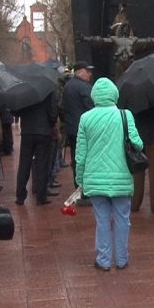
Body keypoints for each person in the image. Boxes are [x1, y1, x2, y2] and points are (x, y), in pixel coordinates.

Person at [75, 77, 142, 271]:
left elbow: (81, 155)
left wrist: (81, 180)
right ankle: (121, 259)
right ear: (114, 94)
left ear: (94, 96)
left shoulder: (85, 118)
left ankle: (103, 260)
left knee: (102, 220)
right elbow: (138, 144)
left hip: (95, 179)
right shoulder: (125, 115)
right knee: (123, 219)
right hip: (121, 177)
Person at [14, 91, 59, 206]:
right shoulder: (48, 89)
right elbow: (53, 112)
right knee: (42, 164)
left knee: (24, 163)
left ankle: (20, 196)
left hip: (27, 131)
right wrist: (51, 123)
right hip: (43, 131)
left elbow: (16, 111)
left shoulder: (24, 91)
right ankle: (41, 196)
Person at [62, 62, 94, 205]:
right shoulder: (84, 87)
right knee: (86, 160)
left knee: (77, 159)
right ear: (81, 72)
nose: (90, 74)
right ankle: (86, 191)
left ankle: (80, 188)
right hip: (84, 129)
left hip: (72, 128)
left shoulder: (68, 86)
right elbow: (91, 107)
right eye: (88, 71)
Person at [130, 102, 154, 213]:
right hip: (153, 135)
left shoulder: (128, 93)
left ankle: (135, 203)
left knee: (137, 170)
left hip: (136, 135)